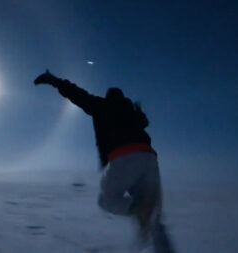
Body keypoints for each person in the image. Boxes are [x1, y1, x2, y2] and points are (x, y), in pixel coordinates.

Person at [34, 70, 175, 253]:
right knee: (155, 220)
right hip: (149, 158)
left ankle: (140, 208)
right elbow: (144, 122)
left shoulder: (100, 105)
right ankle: (150, 226)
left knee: (108, 201)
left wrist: (53, 80)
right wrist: (138, 112)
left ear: (108, 97)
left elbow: (76, 93)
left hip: (123, 156)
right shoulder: (131, 112)